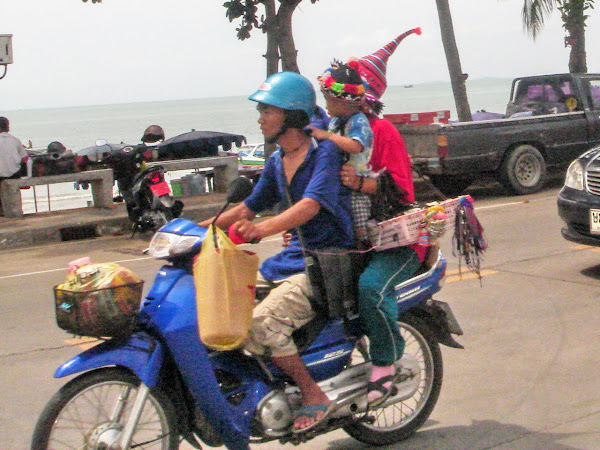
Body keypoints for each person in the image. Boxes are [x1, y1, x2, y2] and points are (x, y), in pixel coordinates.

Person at [199, 72, 354, 430]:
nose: (260, 117)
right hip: (290, 262)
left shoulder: (324, 153)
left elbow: (311, 205)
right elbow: (246, 208)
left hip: (326, 261)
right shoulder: (275, 162)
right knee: (226, 312)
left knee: (260, 325)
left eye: (267, 110)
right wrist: (194, 231)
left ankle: (313, 393)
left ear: (292, 115)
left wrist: (262, 229)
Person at [339, 28, 424, 407]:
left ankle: (387, 361)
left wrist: (359, 183)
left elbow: (401, 192)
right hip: (354, 239)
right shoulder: (337, 133)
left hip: (397, 242)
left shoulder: (383, 132)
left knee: (372, 288)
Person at [307, 60, 374, 246]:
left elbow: (355, 146)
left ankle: (363, 246)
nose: (326, 106)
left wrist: (327, 136)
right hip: (339, 179)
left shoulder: (359, 121)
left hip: (357, 179)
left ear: (343, 103)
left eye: (329, 101)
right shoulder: (335, 121)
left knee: (359, 223)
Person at [0, 117, 29, 214]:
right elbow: (25, 158)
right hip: (14, 174)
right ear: (8, 127)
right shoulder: (15, 140)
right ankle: (16, 211)